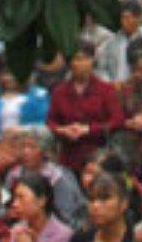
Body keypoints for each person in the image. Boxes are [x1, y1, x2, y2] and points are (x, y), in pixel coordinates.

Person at [49, 43, 126, 175]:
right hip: (69, 158)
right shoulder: (59, 91)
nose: (77, 64)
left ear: (92, 61)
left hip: (97, 158)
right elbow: (51, 121)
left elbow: (117, 120)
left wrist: (89, 129)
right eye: (74, 59)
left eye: (81, 58)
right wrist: (63, 130)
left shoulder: (105, 90)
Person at [0, 62, 50, 157]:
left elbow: (45, 125)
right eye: (4, 74)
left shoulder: (39, 95)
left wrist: (20, 130)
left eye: (13, 74)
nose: (8, 78)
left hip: (28, 149)